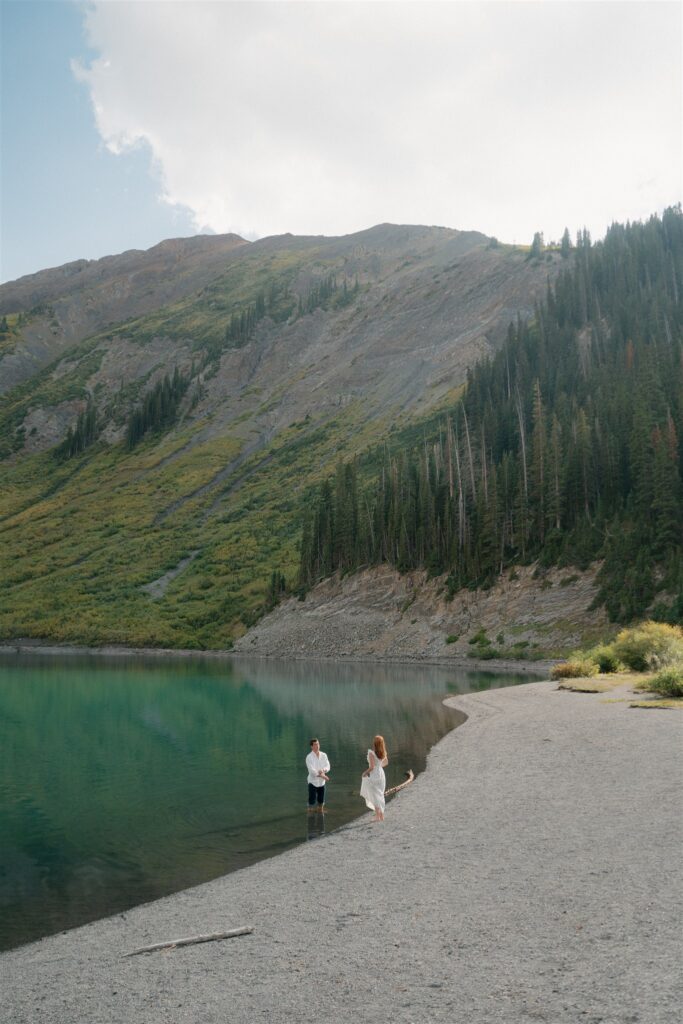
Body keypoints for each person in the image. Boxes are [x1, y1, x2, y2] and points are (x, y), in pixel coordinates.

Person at [360, 734, 389, 822]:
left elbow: (372, 767)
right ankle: (381, 815)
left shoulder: (371, 753)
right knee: (380, 793)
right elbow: (386, 762)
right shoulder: (383, 752)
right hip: (381, 774)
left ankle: (377, 816)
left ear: (374, 743)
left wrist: (365, 773)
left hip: (375, 774)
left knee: (374, 794)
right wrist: (379, 767)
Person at [306, 737, 330, 813]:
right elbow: (312, 771)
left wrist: (323, 770)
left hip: (322, 782)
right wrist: (323, 776)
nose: (317, 746)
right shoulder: (309, 757)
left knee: (321, 800)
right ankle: (310, 813)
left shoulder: (324, 755)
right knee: (312, 800)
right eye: (315, 744)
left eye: (318, 744)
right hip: (313, 782)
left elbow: (328, 765)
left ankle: (320, 812)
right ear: (311, 746)